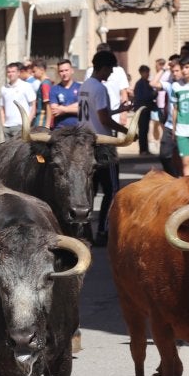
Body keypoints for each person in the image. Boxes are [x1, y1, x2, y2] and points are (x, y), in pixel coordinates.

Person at [79, 49, 128, 245]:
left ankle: (85, 232)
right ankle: (103, 231)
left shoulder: (85, 86)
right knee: (112, 189)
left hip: (86, 144)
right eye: (110, 70)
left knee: (90, 190)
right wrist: (125, 130)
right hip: (103, 145)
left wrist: (119, 110)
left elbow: (94, 113)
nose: (110, 75)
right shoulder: (99, 88)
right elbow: (104, 118)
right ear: (104, 68)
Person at [0, 61, 35, 140]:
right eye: (8, 72)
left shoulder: (26, 86)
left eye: (13, 72)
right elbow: (2, 107)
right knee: (7, 151)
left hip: (20, 126)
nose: (11, 74)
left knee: (20, 150)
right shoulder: (4, 88)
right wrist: (3, 124)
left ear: (18, 73)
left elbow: (33, 105)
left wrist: (27, 123)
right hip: (7, 126)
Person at [131, 64, 157, 155]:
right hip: (141, 110)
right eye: (145, 72)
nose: (147, 74)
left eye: (148, 72)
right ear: (141, 73)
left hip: (147, 109)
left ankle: (145, 148)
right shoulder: (140, 84)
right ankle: (143, 149)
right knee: (142, 130)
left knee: (145, 130)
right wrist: (154, 93)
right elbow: (144, 96)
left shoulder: (147, 83)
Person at [49, 59, 82, 128]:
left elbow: (83, 109)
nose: (64, 73)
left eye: (66, 70)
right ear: (58, 73)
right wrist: (75, 106)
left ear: (72, 71)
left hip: (78, 129)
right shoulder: (54, 89)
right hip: (59, 128)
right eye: (61, 71)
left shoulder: (81, 88)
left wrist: (64, 109)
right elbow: (55, 111)